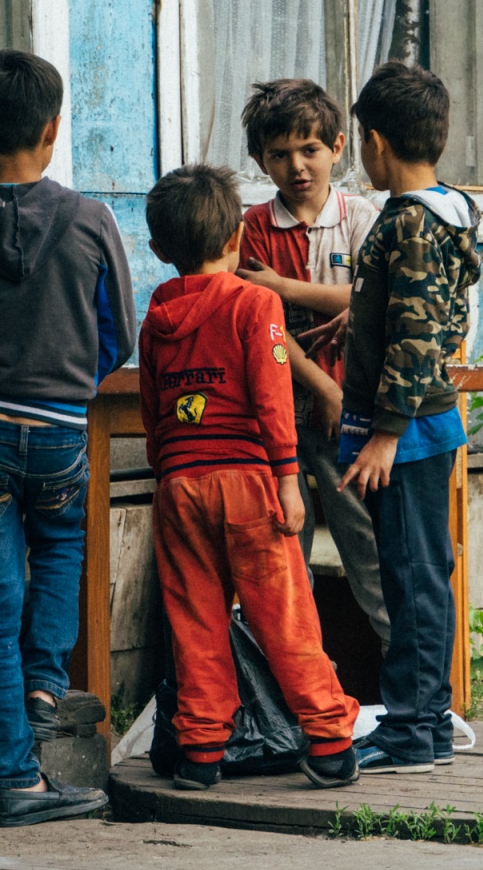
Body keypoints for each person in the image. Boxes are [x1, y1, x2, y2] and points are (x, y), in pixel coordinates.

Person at [0, 49, 137, 827]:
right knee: (58, 548)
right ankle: (46, 683)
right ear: (54, 129)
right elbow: (120, 330)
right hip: (55, 427)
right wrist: (77, 374)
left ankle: (14, 781)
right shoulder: (88, 218)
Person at [140, 163, 361, 791]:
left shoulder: (156, 319)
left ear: (160, 251)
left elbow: (155, 414)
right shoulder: (255, 301)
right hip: (249, 481)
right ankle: (328, 741)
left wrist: (169, 474)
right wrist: (289, 482)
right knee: (283, 616)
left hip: (179, 484)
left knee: (195, 621)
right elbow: (271, 398)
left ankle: (202, 753)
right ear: (238, 238)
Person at [337, 61, 482, 775]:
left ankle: (417, 726)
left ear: (374, 141)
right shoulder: (433, 211)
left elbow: (419, 335)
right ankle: (415, 721)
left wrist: (386, 434)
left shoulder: (418, 221)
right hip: (409, 425)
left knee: (416, 574)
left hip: (413, 431)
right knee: (408, 573)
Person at [235, 78, 390, 645]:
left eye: (310, 150)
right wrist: (324, 386)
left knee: (365, 547)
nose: (297, 166)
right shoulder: (250, 228)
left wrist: (284, 287)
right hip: (276, 415)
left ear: (339, 147)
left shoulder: (360, 216)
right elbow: (263, 327)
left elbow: (378, 298)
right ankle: (295, 687)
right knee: (284, 549)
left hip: (354, 418)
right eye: (279, 154)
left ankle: (412, 693)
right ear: (260, 160)